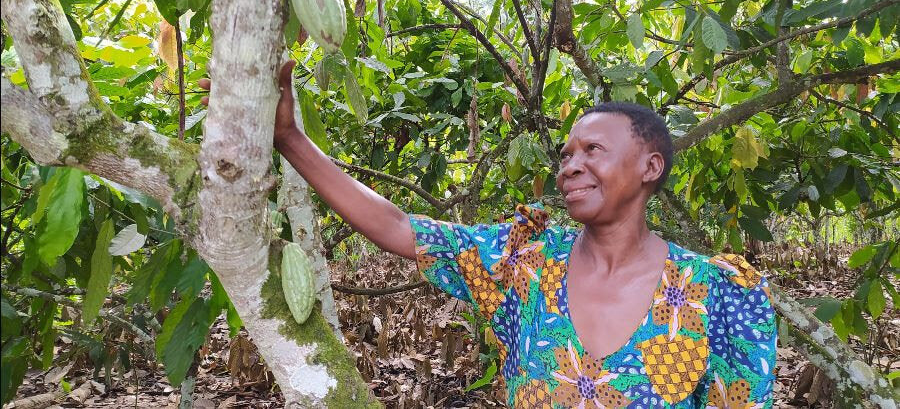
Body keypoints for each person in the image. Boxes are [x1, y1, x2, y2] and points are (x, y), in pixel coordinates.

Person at [201, 62, 776, 408]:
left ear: (650, 168)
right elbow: (402, 228)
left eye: (593, 151)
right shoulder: (523, 263)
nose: (570, 165)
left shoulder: (715, 294)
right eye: (567, 153)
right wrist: (291, 140)